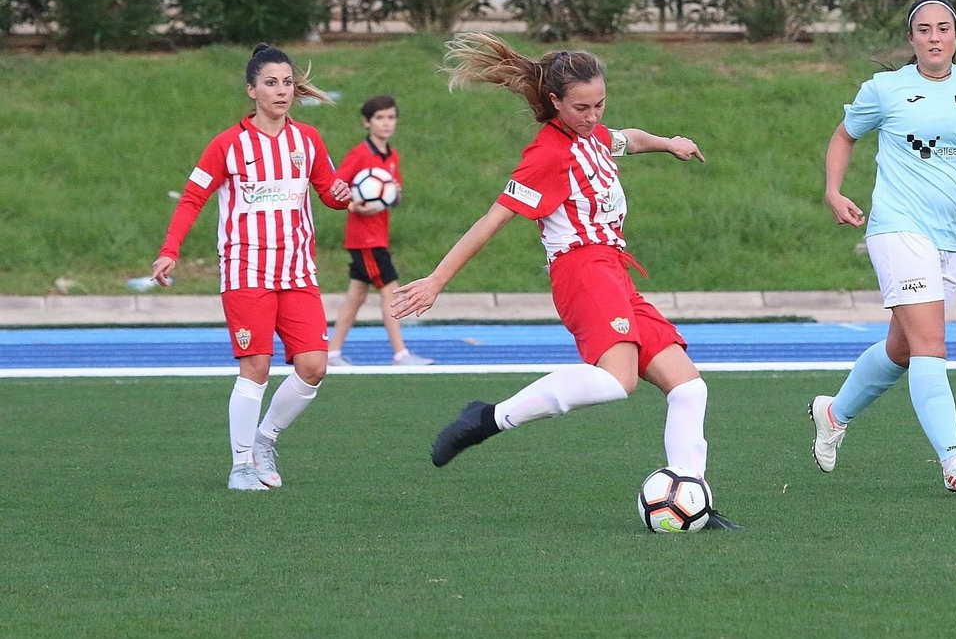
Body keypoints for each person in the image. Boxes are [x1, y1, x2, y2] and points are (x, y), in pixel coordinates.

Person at [389, 33, 738, 528]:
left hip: (615, 270)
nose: (593, 116)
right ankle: (488, 418)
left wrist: (668, 144)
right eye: (581, 108)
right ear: (555, 102)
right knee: (617, 382)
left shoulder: (593, 136)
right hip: (582, 270)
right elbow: (493, 218)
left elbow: (628, 138)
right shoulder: (548, 154)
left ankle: (691, 499)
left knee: (688, 388)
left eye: (600, 105)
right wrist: (436, 280)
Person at [810, 0, 956, 497]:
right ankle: (954, 461)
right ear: (912, 39)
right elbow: (843, 136)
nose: (934, 37)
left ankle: (834, 413)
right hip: (897, 229)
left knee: (902, 350)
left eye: (943, 28)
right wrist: (834, 191)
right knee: (931, 345)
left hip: (952, 238)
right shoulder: (885, 89)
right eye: (924, 30)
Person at [151, 43, 352, 491]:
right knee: (256, 368)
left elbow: (329, 194)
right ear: (251, 90)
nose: (281, 91)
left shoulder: (308, 140)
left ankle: (264, 440)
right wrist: (170, 250)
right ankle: (241, 467)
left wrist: (342, 195)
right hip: (247, 272)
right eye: (271, 83)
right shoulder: (227, 144)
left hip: (298, 273)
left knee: (314, 367)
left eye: (287, 83)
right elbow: (193, 197)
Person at [327, 95, 432, 366]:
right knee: (392, 291)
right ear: (367, 122)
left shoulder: (392, 156)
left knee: (356, 295)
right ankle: (400, 354)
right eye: (380, 118)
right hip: (365, 239)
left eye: (391, 117)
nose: (387, 123)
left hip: (378, 236)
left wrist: (393, 195)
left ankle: (332, 353)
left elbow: (395, 194)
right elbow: (334, 188)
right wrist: (354, 205)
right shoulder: (359, 154)